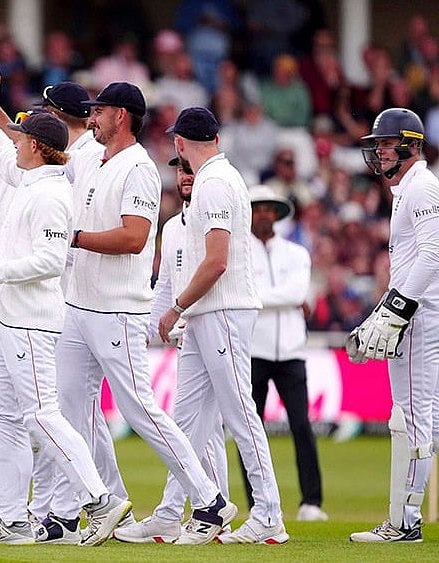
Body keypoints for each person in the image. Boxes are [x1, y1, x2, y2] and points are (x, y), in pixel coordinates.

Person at [0, 80, 233, 545]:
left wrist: (71, 238)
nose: (91, 118)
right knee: (62, 413)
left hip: (117, 310)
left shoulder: (140, 169)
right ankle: (65, 513)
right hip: (76, 306)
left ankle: (210, 501)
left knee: (139, 410)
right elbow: (27, 150)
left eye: (101, 111)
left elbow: (134, 239)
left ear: (123, 116)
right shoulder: (90, 153)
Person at [0, 64, 132, 543]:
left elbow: (47, 263)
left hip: (30, 321)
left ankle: (101, 500)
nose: (15, 140)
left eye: (22, 136)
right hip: (8, 319)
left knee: (43, 414)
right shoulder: (28, 180)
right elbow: (0, 151)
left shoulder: (50, 194)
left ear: (38, 148)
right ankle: (15, 517)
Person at [159, 106, 288, 544]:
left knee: (239, 415)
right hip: (206, 313)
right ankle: (173, 510)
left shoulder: (214, 183)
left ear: (180, 143)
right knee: (187, 419)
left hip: (223, 312)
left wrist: (176, 306)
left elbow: (216, 262)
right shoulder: (222, 178)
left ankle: (269, 514)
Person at [115, 155, 232, 543]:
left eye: (190, 169)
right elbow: (163, 284)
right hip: (188, 337)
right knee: (199, 430)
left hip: (217, 327)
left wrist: (180, 311)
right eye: (180, 170)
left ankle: (179, 513)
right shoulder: (173, 225)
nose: (185, 176)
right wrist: (146, 329)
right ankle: (213, 514)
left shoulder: (214, 214)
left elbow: (222, 269)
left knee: (199, 426)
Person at [347, 107, 439, 543]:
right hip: (414, 312)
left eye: (386, 143)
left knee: (412, 419)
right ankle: (405, 517)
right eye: (378, 145)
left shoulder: (421, 186)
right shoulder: (408, 188)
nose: (379, 152)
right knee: (428, 421)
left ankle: (405, 521)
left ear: (411, 145)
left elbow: (433, 255)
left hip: (419, 318)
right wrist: (382, 310)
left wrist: (397, 311)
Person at [244, 185, 328, 522]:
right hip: (253, 351)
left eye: (269, 208)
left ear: (278, 214)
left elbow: (295, 292)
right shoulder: (239, 253)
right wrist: (280, 298)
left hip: (292, 351)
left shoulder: (296, 253)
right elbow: (276, 295)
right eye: (257, 208)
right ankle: (257, 505)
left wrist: (261, 297)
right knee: (251, 430)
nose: (264, 214)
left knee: (301, 426)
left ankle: (312, 502)